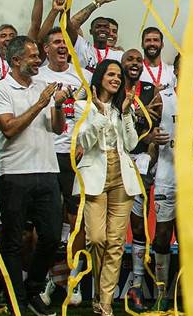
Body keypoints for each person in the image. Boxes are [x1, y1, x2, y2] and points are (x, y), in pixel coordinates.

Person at [0, 35, 68, 315]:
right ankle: (16, 300)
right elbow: (9, 129)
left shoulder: (43, 87)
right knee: (13, 241)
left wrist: (56, 105)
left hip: (47, 170)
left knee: (50, 236)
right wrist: (40, 103)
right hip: (14, 174)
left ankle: (33, 289)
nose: (39, 61)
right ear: (16, 61)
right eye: (33, 56)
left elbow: (58, 129)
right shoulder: (0, 90)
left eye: (38, 55)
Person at [73, 59, 140, 316]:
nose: (116, 79)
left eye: (119, 76)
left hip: (122, 179)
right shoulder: (83, 107)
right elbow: (84, 143)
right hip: (94, 178)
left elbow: (132, 144)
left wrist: (124, 113)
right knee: (97, 239)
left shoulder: (122, 108)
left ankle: (106, 303)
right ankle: (98, 293)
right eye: (111, 74)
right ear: (99, 77)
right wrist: (100, 114)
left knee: (115, 243)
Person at [150, 54, 193, 311]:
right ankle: (162, 292)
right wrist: (153, 136)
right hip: (167, 174)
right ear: (175, 70)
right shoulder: (162, 97)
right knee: (163, 236)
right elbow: (147, 132)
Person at [35, 27, 92, 308]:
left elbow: (92, 116)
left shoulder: (83, 77)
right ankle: (49, 277)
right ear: (45, 48)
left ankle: (73, 279)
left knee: (76, 219)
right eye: (56, 42)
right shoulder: (37, 77)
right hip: (44, 154)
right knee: (48, 221)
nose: (61, 46)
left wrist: (83, 142)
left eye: (65, 42)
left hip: (74, 157)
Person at [120, 49, 160, 311]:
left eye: (137, 60)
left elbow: (152, 129)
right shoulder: (111, 86)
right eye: (129, 60)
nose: (134, 63)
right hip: (115, 159)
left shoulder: (149, 89)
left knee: (137, 221)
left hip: (140, 161)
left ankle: (135, 285)